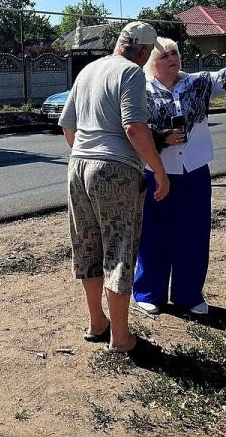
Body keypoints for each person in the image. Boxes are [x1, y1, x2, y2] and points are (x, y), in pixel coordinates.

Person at [132, 29, 226, 316]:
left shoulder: (197, 83)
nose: (171, 59)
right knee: (154, 235)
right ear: (152, 62)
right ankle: (148, 292)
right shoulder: (140, 90)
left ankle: (188, 295)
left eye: (175, 53)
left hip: (194, 171)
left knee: (193, 234)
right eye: (164, 55)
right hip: (156, 172)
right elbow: (131, 130)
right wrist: (161, 138)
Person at [58, 21, 170, 353]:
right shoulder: (131, 74)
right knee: (119, 249)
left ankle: (97, 323)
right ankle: (121, 338)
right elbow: (134, 128)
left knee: (87, 246)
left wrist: (88, 156)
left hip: (78, 167)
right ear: (145, 52)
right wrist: (159, 171)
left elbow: (67, 126)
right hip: (115, 170)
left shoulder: (89, 71)